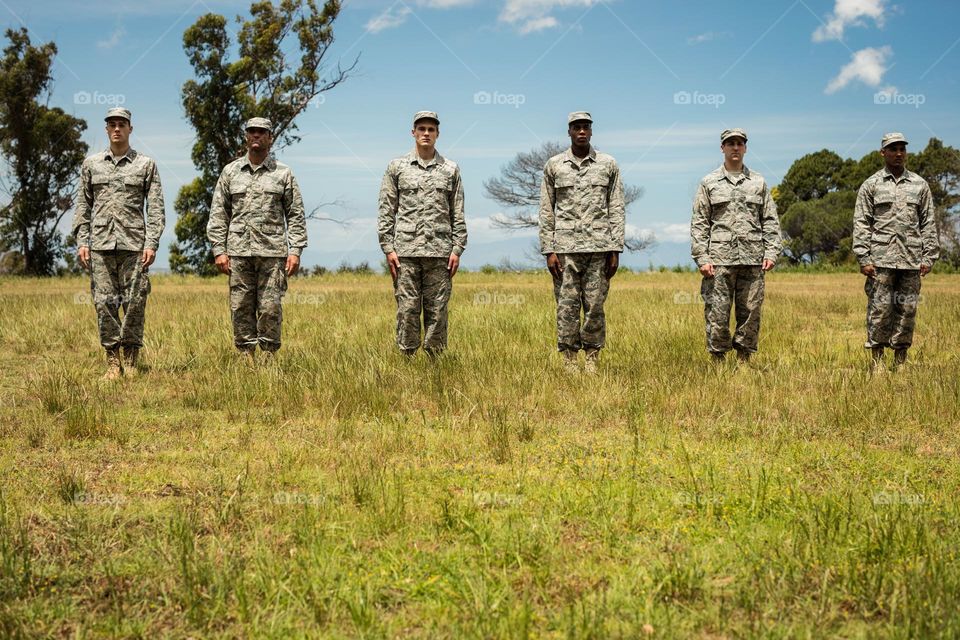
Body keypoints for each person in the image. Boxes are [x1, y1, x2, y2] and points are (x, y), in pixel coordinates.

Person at [72, 107, 165, 380]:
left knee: (135, 302)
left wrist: (152, 243)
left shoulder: (145, 165)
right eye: (112, 124)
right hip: (100, 245)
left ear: (130, 129)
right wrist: (82, 241)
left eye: (121, 124)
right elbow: (82, 205)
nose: (116, 129)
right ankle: (113, 362)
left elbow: (156, 209)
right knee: (104, 303)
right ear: (106, 129)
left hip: (135, 245)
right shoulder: (91, 164)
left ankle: (131, 359)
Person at [207, 117, 307, 361]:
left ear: (270, 138)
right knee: (240, 306)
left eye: (262, 132)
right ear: (246, 136)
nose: (256, 136)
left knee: (270, 307)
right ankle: (246, 356)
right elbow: (219, 213)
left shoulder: (283, 174)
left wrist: (295, 250)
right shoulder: (230, 172)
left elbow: (295, 214)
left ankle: (269, 356)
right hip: (239, 252)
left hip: (273, 253)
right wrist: (219, 250)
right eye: (252, 131)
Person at [538, 111, 624, 374]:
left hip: (599, 249)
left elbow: (617, 207)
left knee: (595, 305)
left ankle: (592, 358)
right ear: (569, 131)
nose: (582, 131)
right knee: (567, 305)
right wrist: (548, 249)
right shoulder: (554, 165)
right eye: (577, 127)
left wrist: (615, 248)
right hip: (565, 250)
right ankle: (569, 360)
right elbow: (546, 208)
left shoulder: (608, 164)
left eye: (586, 126)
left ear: (591, 131)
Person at [377, 111, 467, 356]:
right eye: (422, 129)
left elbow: (457, 211)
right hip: (405, 252)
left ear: (438, 134)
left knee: (437, 310)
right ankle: (406, 358)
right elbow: (387, 209)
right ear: (413, 133)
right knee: (407, 309)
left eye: (431, 129)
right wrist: (388, 248)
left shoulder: (450, 169)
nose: (426, 133)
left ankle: (434, 362)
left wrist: (457, 249)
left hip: (440, 252)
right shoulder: (397, 167)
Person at [690, 128, 781, 364]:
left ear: (745, 148)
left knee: (750, 313)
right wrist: (702, 257)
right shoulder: (709, 182)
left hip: (753, 260)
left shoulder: (758, 182)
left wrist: (771, 251)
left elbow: (770, 219)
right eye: (730, 143)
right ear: (722, 148)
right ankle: (718, 362)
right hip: (719, 261)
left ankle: (744, 363)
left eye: (739, 143)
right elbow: (699, 222)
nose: (735, 148)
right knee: (717, 313)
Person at [853, 132, 939, 372]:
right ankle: (877, 363)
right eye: (893, 149)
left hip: (911, 260)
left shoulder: (920, 185)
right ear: (883, 153)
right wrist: (863, 257)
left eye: (902, 148)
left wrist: (929, 256)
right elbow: (861, 222)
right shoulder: (871, 185)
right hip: (880, 260)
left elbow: (928, 222)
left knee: (907, 311)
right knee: (879, 310)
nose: (898, 153)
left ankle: (900, 362)